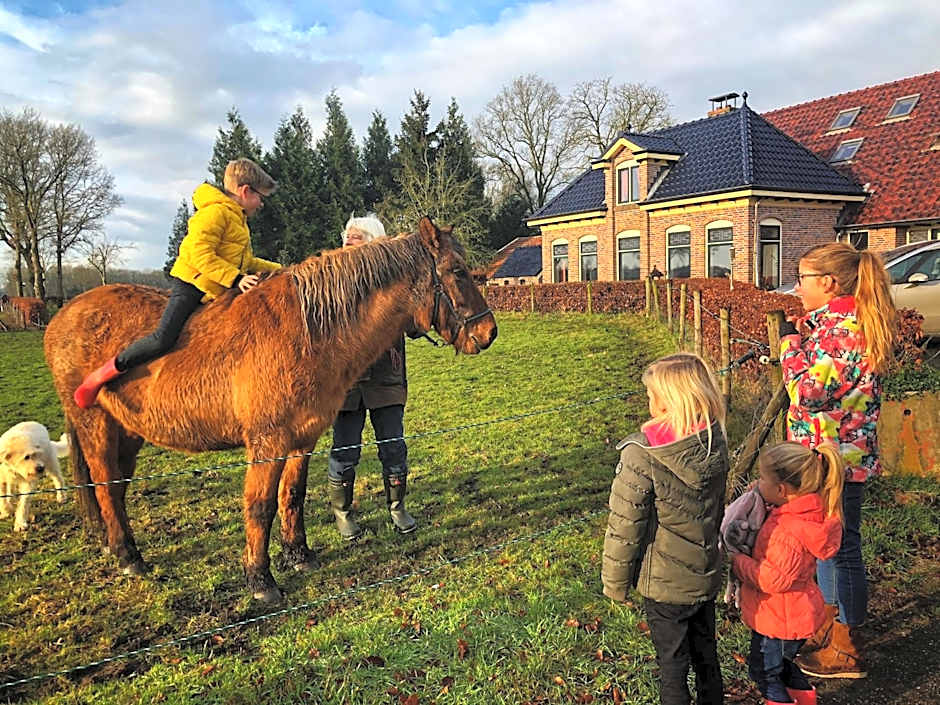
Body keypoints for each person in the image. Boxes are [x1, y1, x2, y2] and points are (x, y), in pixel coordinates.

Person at [73, 159, 281, 409]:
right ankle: (100, 376)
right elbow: (200, 254)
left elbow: (247, 261)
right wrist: (236, 279)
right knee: (163, 339)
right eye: (260, 197)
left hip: (217, 287)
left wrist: (281, 270)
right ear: (245, 191)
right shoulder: (214, 213)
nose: (261, 204)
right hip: (193, 286)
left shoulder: (239, 220)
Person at [779, 242, 897, 679]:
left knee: (841, 549)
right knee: (828, 547)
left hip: (838, 462)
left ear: (828, 283)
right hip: (830, 457)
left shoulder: (844, 330)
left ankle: (846, 647)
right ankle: (830, 626)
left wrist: (789, 346)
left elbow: (809, 392)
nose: (798, 288)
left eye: (803, 279)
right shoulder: (834, 325)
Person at [602, 353, 728, 705]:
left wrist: (615, 583)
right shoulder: (713, 440)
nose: (648, 401)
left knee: (672, 665)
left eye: (651, 394)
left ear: (665, 401)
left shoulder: (642, 453)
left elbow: (625, 525)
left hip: (664, 584)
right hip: (704, 574)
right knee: (706, 656)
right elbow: (716, 508)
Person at [732, 441, 844, 705]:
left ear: (781, 489)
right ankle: (804, 699)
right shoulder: (805, 514)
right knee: (782, 667)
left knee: (764, 672)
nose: (758, 483)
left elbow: (773, 579)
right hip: (794, 614)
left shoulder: (786, 531)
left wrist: (738, 562)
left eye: (762, 479)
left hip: (779, 618)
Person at [327, 214, 416, 540]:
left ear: (373, 242)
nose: (346, 241)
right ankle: (343, 513)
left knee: (393, 448)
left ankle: (397, 508)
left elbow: (416, 324)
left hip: (386, 381)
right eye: (346, 236)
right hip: (346, 382)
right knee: (345, 450)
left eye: (355, 236)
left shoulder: (394, 281)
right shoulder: (331, 281)